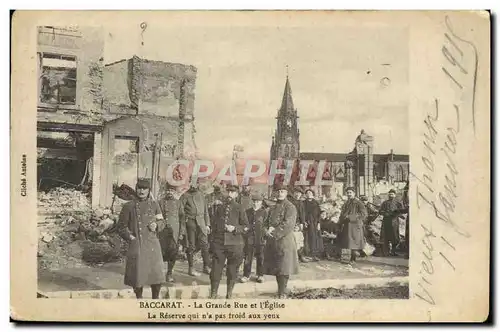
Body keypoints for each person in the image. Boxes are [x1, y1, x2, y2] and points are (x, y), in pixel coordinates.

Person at [117, 178, 166, 299]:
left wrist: (157, 225)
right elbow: (121, 227)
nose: (141, 191)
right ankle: (139, 299)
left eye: (144, 189)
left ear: (149, 190)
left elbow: (162, 221)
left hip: (153, 244)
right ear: (136, 189)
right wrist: (131, 238)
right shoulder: (129, 206)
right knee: (138, 276)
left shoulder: (154, 205)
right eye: (139, 188)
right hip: (137, 244)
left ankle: (155, 299)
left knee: (156, 274)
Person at [209, 185, 249, 299]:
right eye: (229, 192)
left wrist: (235, 228)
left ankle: (229, 293)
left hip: (235, 244)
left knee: (232, 271)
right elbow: (214, 224)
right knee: (215, 270)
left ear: (236, 195)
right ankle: (213, 293)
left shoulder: (240, 208)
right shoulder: (219, 208)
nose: (230, 195)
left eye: (233, 193)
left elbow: (246, 226)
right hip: (219, 243)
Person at [262, 184, 299, 299]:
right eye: (278, 191)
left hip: (285, 241)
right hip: (274, 241)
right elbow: (265, 222)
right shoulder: (272, 207)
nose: (280, 193)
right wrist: (266, 231)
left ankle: (282, 292)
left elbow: (288, 224)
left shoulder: (290, 207)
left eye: (282, 191)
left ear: (286, 193)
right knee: (277, 266)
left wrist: (273, 232)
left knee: (284, 267)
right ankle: (281, 290)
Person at [179, 179, 211, 276]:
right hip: (190, 223)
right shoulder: (185, 196)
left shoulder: (201, 195)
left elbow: (206, 211)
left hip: (201, 222)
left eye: (195, 183)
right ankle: (191, 268)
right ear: (188, 184)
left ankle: (206, 266)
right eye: (190, 183)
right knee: (191, 246)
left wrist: (207, 224)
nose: (193, 185)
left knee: (205, 244)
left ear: (197, 184)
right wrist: (185, 222)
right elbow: (181, 212)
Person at [158, 184, 185, 282]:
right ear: (165, 191)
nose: (169, 192)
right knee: (161, 252)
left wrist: (181, 233)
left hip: (175, 232)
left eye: (172, 191)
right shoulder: (160, 202)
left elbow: (182, 218)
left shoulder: (178, 203)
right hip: (162, 231)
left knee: (173, 253)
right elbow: (157, 216)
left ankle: (169, 273)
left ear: (175, 192)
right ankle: (159, 273)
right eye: (168, 190)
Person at [240, 192, 268, 283]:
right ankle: (246, 275)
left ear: (261, 202)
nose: (256, 203)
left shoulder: (264, 212)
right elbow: (244, 224)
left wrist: (265, 234)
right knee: (248, 257)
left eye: (258, 202)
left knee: (261, 257)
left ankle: (260, 275)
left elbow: (266, 224)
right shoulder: (248, 212)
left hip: (260, 238)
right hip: (250, 238)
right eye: (254, 201)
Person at [338, 187, 367, 264]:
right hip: (348, 225)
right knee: (350, 242)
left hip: (355, 225)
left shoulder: (359, 203)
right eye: (348, 193)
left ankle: (353, 259)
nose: (349, 194)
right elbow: (342, 213)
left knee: (354, 242)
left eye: (350, 192)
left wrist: (351, 217)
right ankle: (352, 257)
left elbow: (363, 214)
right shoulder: (346, 203)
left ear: (354, 193)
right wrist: (340, 221)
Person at [379, 189, 404, 256]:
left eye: (392, 194)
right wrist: (385, 213)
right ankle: (386, 252)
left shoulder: (398, 203)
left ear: (395, 195)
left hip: (394, 222)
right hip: (386, 222)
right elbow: (380, 211)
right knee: (386, 236)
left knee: (394, 236)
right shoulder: (385, 203)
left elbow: (401, 211)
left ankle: (393, 251)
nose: (391, 195)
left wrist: (396, 214)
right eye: (390, 194)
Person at [287, 187, 309, 263]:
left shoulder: (301, 203)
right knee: (291, 239)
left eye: (299, 193)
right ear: (293, 193)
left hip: (298, 223)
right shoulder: (289, 202)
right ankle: (291, 257)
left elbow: (302, 214)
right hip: (290, 223)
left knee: (299, 239)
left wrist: (302, 223)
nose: (297, 195)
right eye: (296, 193)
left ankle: (300, 255)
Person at [303, 188, 323, 261]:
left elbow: (319, 214)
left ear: (313, 194)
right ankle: (307, 254)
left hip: (314, 223)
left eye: (310, 193)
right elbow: (302, 213)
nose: (309, 194)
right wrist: (304, 222)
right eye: (307, 193)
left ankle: (315, 254)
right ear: (305, 195)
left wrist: (318, 223)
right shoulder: (303, 203)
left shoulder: (316, 203)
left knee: (315, 238)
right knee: (307, 238)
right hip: (307, 223)